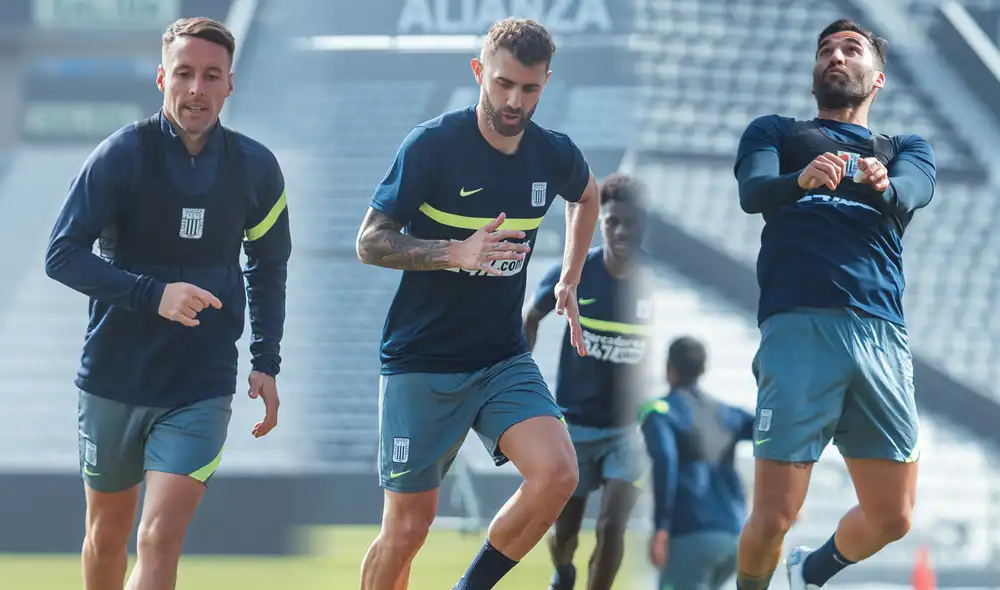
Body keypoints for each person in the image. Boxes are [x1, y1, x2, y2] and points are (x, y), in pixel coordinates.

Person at [354, 17, 601, 590]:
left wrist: (569, 276)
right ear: (478, 74)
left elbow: (586, 194)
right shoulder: (431, 146)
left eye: (530, 88)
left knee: (558, 474)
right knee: (407, 530)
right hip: (421, 361)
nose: (514, 100)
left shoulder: (551, 154)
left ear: (545, 83)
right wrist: (452, 252)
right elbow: (369, 241)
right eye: (503, 84)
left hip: (499, 359)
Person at [44, 17, 290, 590]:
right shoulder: (122, 154)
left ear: (231, 83)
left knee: (158, 536)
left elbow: (268, 264)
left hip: (199, 385)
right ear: (162, 77)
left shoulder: (258, 168)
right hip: (113, 377)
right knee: (106, 535)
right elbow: (62, 254)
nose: (197, 89)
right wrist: (153, 296)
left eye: (211, 75)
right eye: (184, 74)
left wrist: (266, 359)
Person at [731, 19, 936, 590]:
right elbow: (754, 193)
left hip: (880, 336)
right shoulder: (776, 132)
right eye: (826, 51)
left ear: (878, 78)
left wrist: (884, 186)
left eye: (851, 50)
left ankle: (811, 571)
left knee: (893, 517)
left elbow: (914, 189)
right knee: (773, 516)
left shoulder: (903, 149)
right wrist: (800, 180)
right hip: (800, 329)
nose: (836, 58)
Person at [522, 172, 651, 590]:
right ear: (601, 224)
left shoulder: (654, 284)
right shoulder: (578, 274)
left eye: (630, 222)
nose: (621, 231)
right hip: (574, 426)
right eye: (612, 221)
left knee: (612, 526)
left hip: (627, 432)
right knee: (565, 535)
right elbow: (530, 316)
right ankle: (563, 571)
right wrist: (523, 384)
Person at [640, 336, 755, 590]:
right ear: (703, 369)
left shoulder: (660, 412)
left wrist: (661, 528)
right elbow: (770, 432)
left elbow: (665, 461)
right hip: (734, 535)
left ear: (669, 367)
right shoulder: (727, 412)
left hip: (690, 535)